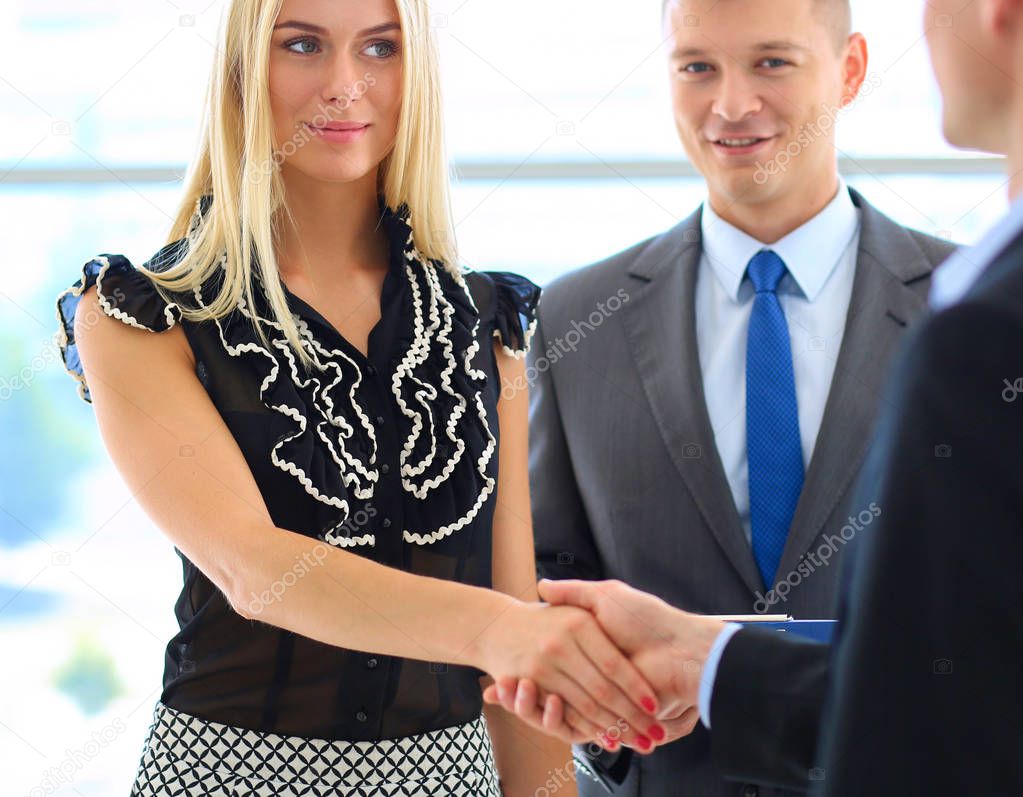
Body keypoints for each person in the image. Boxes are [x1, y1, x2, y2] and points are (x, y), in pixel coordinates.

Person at [54, 0, 669, 793]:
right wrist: (510, 633)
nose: (345, 85)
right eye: (303, 45)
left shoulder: (487, 324)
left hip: (452, 780)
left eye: (380, 48)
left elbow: (514, 643)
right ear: (242, 69)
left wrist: (522, 643)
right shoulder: (142, 314)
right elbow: (254, 566)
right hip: (229, 777)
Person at [490, 2, 1023, 794]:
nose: (731, 104)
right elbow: (548, 573)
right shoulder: (576, 315)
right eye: (696, 66)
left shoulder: (969, 308)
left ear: (849, 71)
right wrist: (607, 718)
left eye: (771, 62)